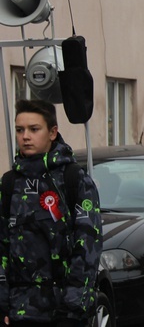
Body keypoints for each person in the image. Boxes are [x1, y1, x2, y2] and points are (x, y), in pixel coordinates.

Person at [0, 99, 102, 326]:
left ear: (53, 132)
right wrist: (2, 303)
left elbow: (87, 245)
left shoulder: (73, 179)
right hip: (20, 310)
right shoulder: (9, 183)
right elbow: (2, 246)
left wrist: (73, 306)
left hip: (63, 309)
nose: (25, 136)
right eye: (20, 130)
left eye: (34, 129)